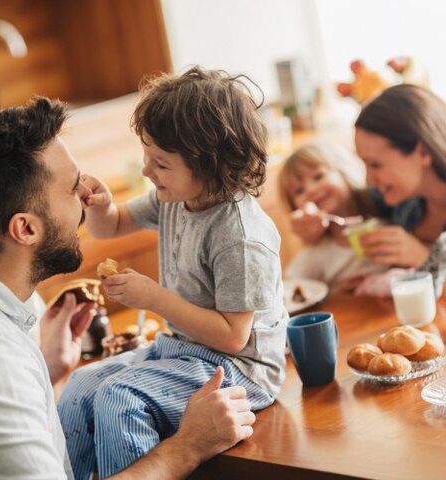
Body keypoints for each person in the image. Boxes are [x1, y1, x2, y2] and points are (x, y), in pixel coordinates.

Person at [0, 98, 256, 480]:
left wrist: (48, 372)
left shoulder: (4, 302)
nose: (85, 195)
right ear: (26, 229)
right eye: (72, 188)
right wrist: (187, 447)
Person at [58, 67, 287, 479]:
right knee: (80, 387)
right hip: (181, 351)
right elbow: (110, 226)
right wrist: (100, 205)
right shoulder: (176, 197)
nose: (147, 171)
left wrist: (154, 298)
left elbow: (234, 337)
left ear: (213, 166)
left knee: (119, 398)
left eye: (160, 163)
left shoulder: (240, 236)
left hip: (241, 370)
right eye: (146, 157)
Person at [292, 85, 446, 294]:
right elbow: (349, 204)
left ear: (423, 152)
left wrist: (424, 260)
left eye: (375, 164)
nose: (368, 179)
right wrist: (314, 218)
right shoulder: (400, 201)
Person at [280, 140, 385, 291]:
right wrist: (334, 293)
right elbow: (287, 290)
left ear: (343, 171)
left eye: (318, 176)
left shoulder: (389, 217)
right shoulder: (317, 252)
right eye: (299, 191)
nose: (310, 190)